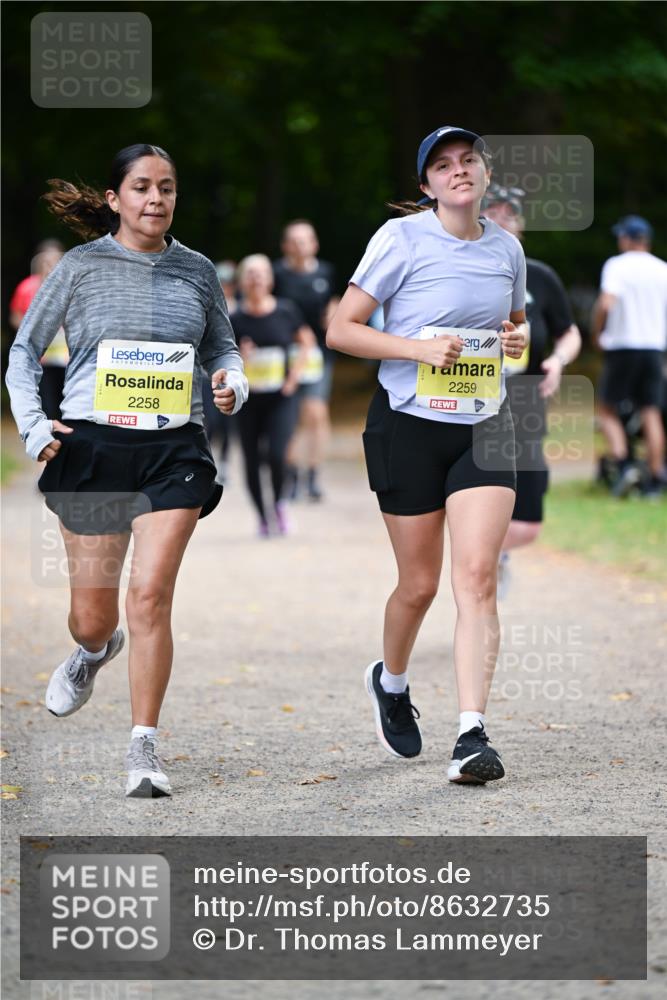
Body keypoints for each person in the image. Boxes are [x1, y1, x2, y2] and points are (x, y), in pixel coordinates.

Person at [5, 143, 248, 798]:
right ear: (115, 199)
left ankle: (144, 746)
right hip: (93, 447)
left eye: (166, 187)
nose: (155, 199)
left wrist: (232, 383)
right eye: (141, 187)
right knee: (93, 617)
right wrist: (33, 425)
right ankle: (91, 653)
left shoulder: (197, 269)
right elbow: (24, 353)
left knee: (151, 595)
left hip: (175, 448)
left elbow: (221, 344)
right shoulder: (81, 267)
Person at [327, 126, 527, 784]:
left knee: (474, 579)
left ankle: (471, 734)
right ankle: (390, 680)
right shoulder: (400, 239)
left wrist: (513, 342)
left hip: (483, 423)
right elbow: (341, 328)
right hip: (407, 425)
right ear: (426, 186)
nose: (458, 171)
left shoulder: (506, 249)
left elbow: (514, 331)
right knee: (417, 586)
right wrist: (415, 349)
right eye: (442, 166)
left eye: (467, 160)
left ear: (483, 171)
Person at [481, 183, 582, 597]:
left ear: (521, 224)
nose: (504, 219)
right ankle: (476, 565)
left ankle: (493, 554)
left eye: (512, 213)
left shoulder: (540, 275)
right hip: (472, 404)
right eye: (495, 212)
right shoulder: (465, 270)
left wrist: (557, 361)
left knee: (527, 523)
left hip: (525, 404)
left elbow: (570, 332)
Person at [232, 254, 313, 535]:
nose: (256, 278)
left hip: (281, 397)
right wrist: (240, 358)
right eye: (251, 273)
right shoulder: (234, 318)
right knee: (252, 459)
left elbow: (307, 343)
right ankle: (262, 516)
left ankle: (280, 503)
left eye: (262, 273)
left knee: (278, 454)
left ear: (270, 278)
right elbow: (221, 359)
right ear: (242, 280)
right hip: (248, 401)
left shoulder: (286, 311)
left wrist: (294, 377)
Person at [592, 215, 667, 498]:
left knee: (607, 409)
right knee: (651, 411)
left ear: (626, 238)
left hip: (622, 346)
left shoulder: (617, 266)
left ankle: (624, 466)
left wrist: (598, 331)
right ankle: (655, 481)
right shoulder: (662, 269)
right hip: (653, 347)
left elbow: (607, 302)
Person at [273, 219, 338, 501]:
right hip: (284, 355)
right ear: (286, 245)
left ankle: (312, 475)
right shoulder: (275, 274)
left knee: (316, 413)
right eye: (295, 240)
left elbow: (337, 302)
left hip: (317, 354)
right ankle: (291, 475)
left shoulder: (326, 272)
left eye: (306, 240)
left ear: (315, 244)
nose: (301, 246)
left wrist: (335, 312)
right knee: (290, 417)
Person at [9, 240, 67, 419]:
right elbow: (15, 317)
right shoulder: (27, 287)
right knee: (46, 400)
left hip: (67, 356)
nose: (51, 265)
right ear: (39, 262)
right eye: (47, 261)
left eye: (56, 260)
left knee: (65, 399)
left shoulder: (70, 286)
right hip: (40, 357)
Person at [202, 260, 239, 482]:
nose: (225, 287)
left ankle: (224, 462)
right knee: (211, 421)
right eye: (222, 282)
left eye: (229, 283)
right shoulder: (207, 305)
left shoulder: (239, 308)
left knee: (227, 424)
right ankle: (209, 461)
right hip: (207, 374)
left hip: (231, 373)